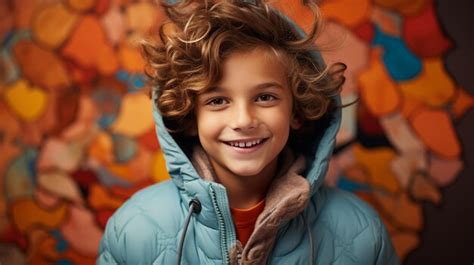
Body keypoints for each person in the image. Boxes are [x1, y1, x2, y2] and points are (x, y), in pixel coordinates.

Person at [98, 0, 400, 264]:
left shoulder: (361, 232)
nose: (243, 120)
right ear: (191, 116)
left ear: (295, 111)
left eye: (265, 97)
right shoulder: (134, 228)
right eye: (218, 101)